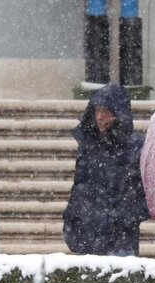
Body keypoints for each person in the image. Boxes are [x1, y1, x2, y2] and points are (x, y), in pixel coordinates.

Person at [62, 84, 150, 256]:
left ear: (118, 113)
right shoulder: (89, 145)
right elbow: (80, 187)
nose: (100, 117)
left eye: (106, 111)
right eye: (97, 111)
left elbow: (143, 192)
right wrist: (72, 219)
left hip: (121, 236)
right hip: (89, 231)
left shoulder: (135, 148)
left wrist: (124, 216)